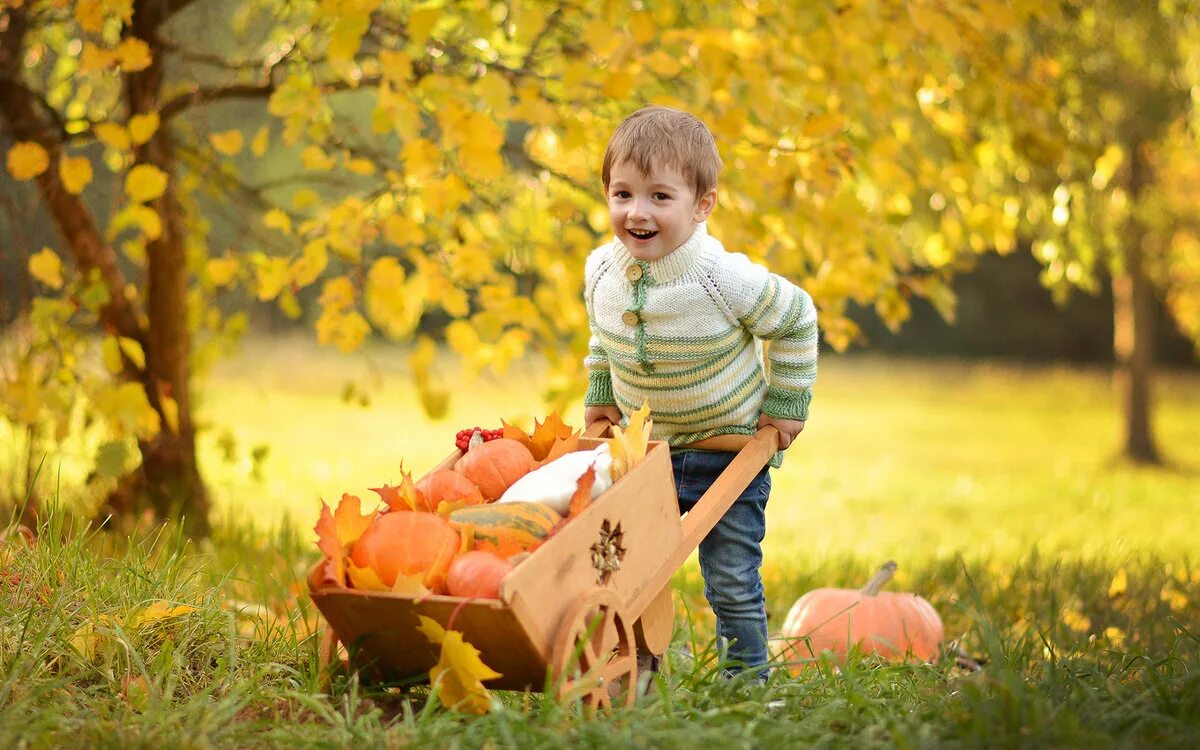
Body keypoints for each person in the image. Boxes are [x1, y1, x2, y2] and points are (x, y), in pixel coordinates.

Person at [582, 105, 819, 680]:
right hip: (646, 454)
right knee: (625, 568)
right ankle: (631, 668)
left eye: (660, 197)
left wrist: (785, 405)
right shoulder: (600, 270)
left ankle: (745, 684)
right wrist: (600, 391)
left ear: (702, 204)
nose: (636, 212)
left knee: (731, 579)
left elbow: (796, 318)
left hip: (728, 453)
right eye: (622, 194)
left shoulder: (721, 278)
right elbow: (602, 333)